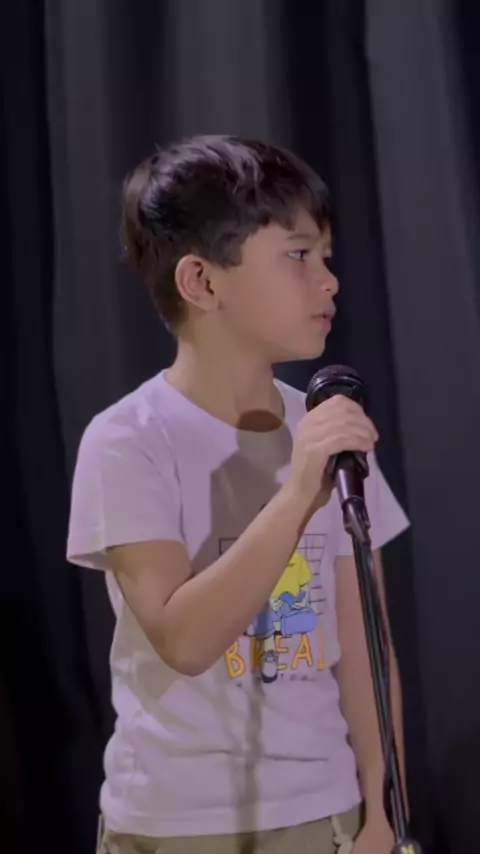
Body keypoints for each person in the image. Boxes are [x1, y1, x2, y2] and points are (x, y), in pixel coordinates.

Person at [67, 135, 409, 854]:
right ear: (201, 282)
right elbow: (184, 641)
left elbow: (366, 648)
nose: (329, 282)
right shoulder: (129, 440)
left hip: (327, 815)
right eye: (298, 256)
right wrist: (297, 492)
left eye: (326, 257)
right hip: (175, 827)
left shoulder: (326, 428)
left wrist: (380, 809)